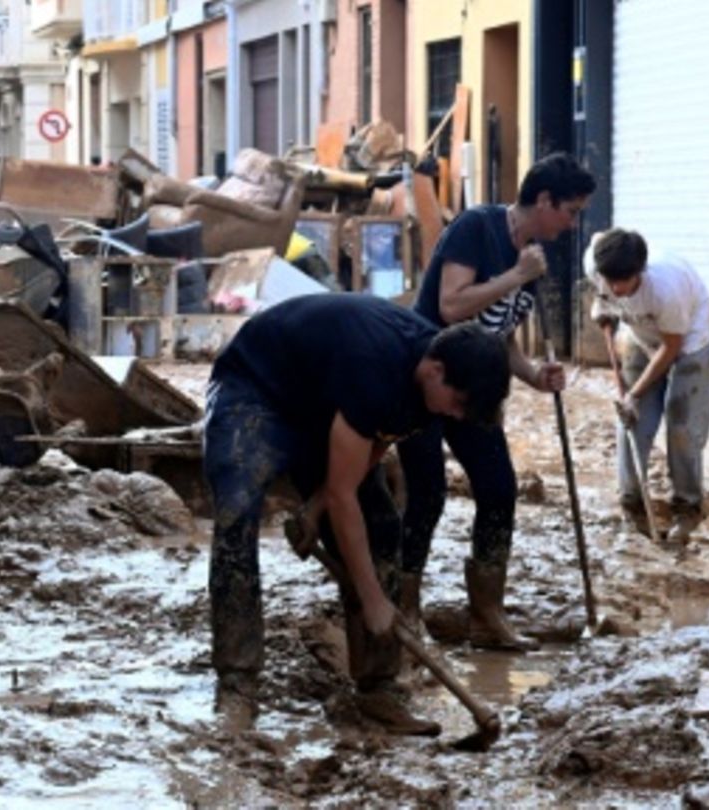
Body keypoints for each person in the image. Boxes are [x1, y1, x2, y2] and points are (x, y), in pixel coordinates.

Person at [203, 293, 511, 734]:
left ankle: (378, 689)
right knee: (237, 510)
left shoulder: (431, 389)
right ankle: (237, 684)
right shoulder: (379, 369)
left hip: (327, 405)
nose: (457, 415)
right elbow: (345, 494)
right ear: (434, 370)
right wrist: (373, 599)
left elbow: (378, 440)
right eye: (458, 403)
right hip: (256, 387)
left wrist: (314, 508)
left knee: (382, 526)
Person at [394, 152, 596, 650]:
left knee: (499, 487)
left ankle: (487, 613)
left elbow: (498, 332)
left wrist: (532, 374)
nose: (572, 224)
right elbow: (452, 304)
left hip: (477, 385)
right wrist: (516, 276)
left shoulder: (534, 255)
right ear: (543, 200)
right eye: (569, 211)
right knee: (428, 493)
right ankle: (404, 610)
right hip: (430, 378)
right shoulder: (477, 227)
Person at [585, 228, 709, 543]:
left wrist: (634, 392)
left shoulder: (666, 288)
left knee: (682, 424)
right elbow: (598, 239)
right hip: (641, 335)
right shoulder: (596, 264)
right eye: (609, 281)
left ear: (640, 270)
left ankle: (687, 505)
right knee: (632, 420)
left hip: (688, 341)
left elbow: (670, 349)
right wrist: (602, 306)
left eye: (624, 281)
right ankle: (632, 502)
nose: (616, 288)